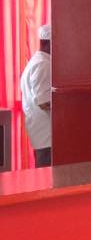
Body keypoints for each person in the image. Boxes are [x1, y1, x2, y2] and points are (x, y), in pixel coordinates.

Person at [20, 24, 52, 167]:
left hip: (42, 135)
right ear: (49, 43)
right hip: (47, 136)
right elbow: (43, 102)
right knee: (48, 175)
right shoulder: (43, 64)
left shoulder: (38, 61)